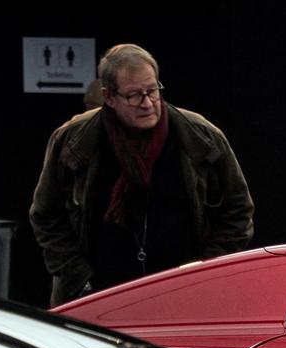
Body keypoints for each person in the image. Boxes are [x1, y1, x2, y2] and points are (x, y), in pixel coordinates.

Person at [30, 44, 254, 306]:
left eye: (152, 91)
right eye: (134, 95)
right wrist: (79, 279)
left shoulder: (201, 137)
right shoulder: (73, 140)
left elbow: (238, 211)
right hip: (97, 299)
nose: (147, 103)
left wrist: (205, 272)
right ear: (108, 97)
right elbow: (46, 215)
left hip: (184, 297)